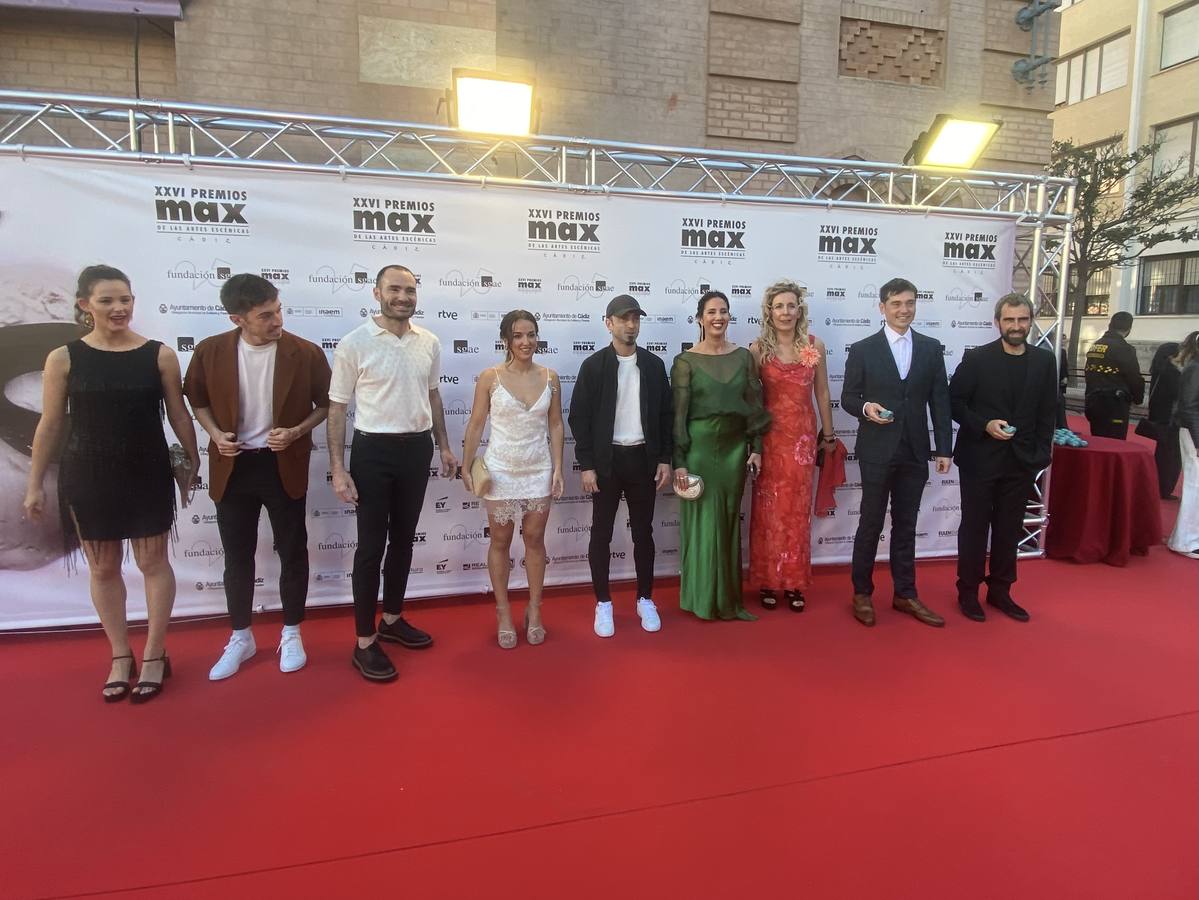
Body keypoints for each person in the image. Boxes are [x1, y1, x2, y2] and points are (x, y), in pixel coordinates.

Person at [23, 265, 199, 702]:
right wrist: (34, 483)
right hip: (87, 472)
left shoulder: (159, 355)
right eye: (107, 301)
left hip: (147, 470)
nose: (119, 308)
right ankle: (121, 654)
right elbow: (49, 425)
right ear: (85, 305)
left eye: (125, 299)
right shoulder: (63, 358)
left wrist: (193, 458)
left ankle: (155, 654)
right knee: (102, 568)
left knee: (153, 562)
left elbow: (179, 414)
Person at [183, 273, 331, 680]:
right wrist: (215, 434)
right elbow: (197, 400)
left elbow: (325, 405)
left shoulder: (305, 352)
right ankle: (241, 637)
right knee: (237, 555)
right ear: (237, 319)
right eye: (265, 316)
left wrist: (296, 431)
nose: (277, 320)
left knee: (292, 550)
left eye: (278, 310)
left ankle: (292, 632)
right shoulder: (210, 351)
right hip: (233, 466)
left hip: (282, 464)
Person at [327, 264, 458, 682]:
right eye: (395, 289)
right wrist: (337, 468)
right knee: (370, 548)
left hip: (416, 450)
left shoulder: (429, 342)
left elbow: (433, 395)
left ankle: (392, 619)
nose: (403, 297)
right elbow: (337, 408)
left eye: (410, 290)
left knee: (403, 540)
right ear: (377, 293)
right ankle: (364, 641)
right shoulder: (354, 343)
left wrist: (443, 445)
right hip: (373, 452)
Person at [842, 277, 952, 628]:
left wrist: (944, 448)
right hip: (877, 449)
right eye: (896, 303)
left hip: (916, 451)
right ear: (882, 307)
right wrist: (866, 408)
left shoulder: (931, 348)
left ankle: (905, 593)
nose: (904, 310)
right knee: (870, 522)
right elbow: (848, 398)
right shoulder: (863, 349)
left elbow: (940, 401)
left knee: (906, 524)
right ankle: (862, 593)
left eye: (909, 303)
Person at [568, 294, 672, 638]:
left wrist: (664, 458)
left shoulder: (654, 365)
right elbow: (579, 418)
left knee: (644, 533)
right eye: (624, 318)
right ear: (608, 323)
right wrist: (587, 464)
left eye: (635, 318)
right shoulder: (594, 366)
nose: (631, 324)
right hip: (606, 462)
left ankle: (645, 599)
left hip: (643, 460)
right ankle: (603, 602)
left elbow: (665, 415)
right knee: (601, 532)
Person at [949, 293, 1057, 622]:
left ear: (1031, 321)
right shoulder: (977, 359)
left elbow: (1047, 411)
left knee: (1009, 529)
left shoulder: (1044, 361)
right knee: (974, 528)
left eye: (1022, 319)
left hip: (1021, 461)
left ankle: (1000, 591)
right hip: (979, 459)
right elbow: (954, 403)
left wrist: (1041, 455)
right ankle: (968, 591)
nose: (1016, 326)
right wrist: (984, 424)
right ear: (997, 322)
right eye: (1009, 320)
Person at [462, 310, 565, 648]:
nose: (526, 342)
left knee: (534, 539)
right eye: (518, 335)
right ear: (505, 340)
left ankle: (534, 610)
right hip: (500, 470)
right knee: (501, 541)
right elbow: (476, 423)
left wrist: (558, 467)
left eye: (531, 334)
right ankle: (503, 612)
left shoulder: (551, 377)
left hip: (538, 469)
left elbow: (555, 425)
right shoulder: (489, 377)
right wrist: (466, 465)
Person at [671, 289, 770, 622]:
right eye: (711, 312)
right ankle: (700, 598)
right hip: (698, 449)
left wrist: (756, 447)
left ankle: (727, 598)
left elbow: (754, 405)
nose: (718, 317)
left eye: (723, 311)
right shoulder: (685, 361)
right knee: (702, 522)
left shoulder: (744, 357)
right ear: (700, 318)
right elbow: (678, 415)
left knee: (727, 519)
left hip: (734, 450)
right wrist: (679, 460)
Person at [748, 280, 835, 612]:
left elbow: (822, 392)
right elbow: (753, 401)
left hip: (802, 441)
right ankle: (769, 580)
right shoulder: (758, 349)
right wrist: (754, 444)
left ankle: (795, 581)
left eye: (791, 305)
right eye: (779, 306)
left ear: (800, 310)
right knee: (769, 511)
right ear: (769, 312)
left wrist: (829, 435)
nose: (785, 312)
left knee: (797, 512)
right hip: (770, 440)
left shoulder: (815, 345)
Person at [1084, 311, 1144, 440]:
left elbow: (1088, 372)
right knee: (1115, 442)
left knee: (1098, 439)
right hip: (1114, 403)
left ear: (1110, 324)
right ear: (1129, 328)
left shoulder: (1097, 345)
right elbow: (1133, 377)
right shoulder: (1124, 348)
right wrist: (1138, 398)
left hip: (1094, 400)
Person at [1168, 335, 1199, 558]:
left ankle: (1187, 538)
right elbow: (1188, 407)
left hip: (1193, 431)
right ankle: (1186, 541)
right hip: (1193, 432)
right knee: (1194, 486)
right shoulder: (1195, 369)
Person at [1147, 339, 1185, 499]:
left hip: (1160, 416)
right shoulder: (1172, 373)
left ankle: (1158, 485)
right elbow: (1179, 394)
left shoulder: (1158, 370)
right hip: (1170, 419)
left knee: (1163, 454)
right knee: (1171, 456)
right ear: (1172, 355)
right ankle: (1164, 487)